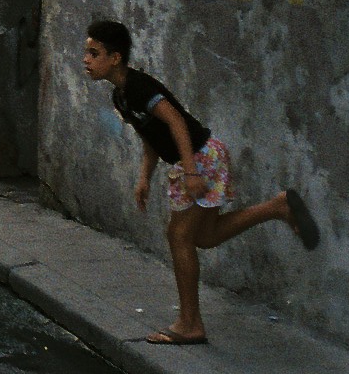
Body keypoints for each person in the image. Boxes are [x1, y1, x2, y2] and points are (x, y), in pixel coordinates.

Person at [82, 19, 319, 346]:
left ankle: (190, 323)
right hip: (192, 159)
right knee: (204, 237)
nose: (86, 60)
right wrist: (143, 179)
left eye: (94, 53)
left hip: (200, 157)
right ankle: (278, 207)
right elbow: (151, 136)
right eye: (87, 53)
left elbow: (176, 121)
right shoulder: (121, 97)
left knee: (178, 235)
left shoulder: (139, 87)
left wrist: (192, 171)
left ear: (115, 57)